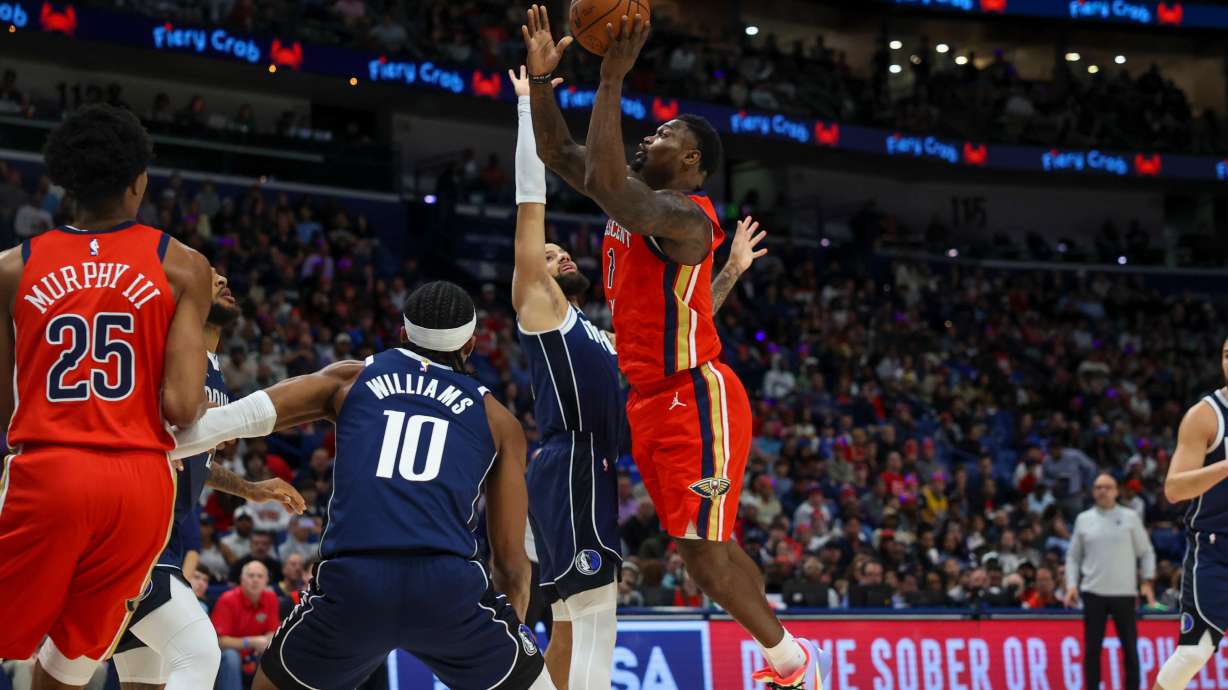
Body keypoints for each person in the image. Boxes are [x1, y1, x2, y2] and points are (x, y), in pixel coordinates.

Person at [522, 7, 828, 689]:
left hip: (695, 399)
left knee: (704, 557)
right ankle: (790, 658)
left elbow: (603, 181)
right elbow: (559, 155)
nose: (649, 138)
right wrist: (543, 85)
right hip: (651, 401)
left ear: (690, 161)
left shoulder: (686, 218)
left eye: (662, 134)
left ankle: (791, 665)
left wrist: (611, 80)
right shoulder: (639, 208)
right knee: (705, 550)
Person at [172, 281, 557, 689]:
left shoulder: (352, 378)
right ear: (470, 346)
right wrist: (504, 634)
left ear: (404, 334)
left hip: (355, 580)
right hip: (446, 585)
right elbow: (511, 564)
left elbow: (241, 417)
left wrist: (159, 443)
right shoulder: (499, 420)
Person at [0, 103, 214, 689]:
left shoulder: (12, 269)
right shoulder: (184, 266)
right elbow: (183, 407)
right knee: (72, 659)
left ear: (64, 183)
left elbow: (6, 404)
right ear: (138, 181)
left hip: (50, 472)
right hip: (138, 488)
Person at [112, 269, 306, 690]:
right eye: (208, 277)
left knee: (147, 681)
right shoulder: (163, 352)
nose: (221, 280)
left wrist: (251, 490)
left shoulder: (212, 368)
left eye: (224, 277)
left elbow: (196, 457)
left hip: (167, 538)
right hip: (138, 535)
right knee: (201, 655)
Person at [1150, 342, 1228, 690]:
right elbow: (1174, 489)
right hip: (1215, 547)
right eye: (1227, 354)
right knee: (1193, 653)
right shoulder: (1205, 415)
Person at [1065, 473, 1156, 690]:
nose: (1102, 491)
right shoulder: (1083, 519)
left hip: (1124, 593)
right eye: (1098, 487)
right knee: (1092, 650)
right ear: (1093, 491)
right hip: (1093, 592)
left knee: (1130, 650)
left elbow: (1146, 552)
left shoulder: (1130, 517)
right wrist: (1071, 585)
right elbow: (1073, 557)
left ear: (1116, 491)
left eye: (1107, 487)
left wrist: (1147, 581)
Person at [211, 561, 281, 690]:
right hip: (231, 655)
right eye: (251, 575)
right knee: (231, 657)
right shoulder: (227, 600)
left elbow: (272, 632)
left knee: (273, 654)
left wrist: (267, 641)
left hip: (256, 654)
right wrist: (251, 642)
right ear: (241, 579)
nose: (255, 580)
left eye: (260, 576)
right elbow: (219, 641)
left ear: (266, 580)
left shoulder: (271, 598)